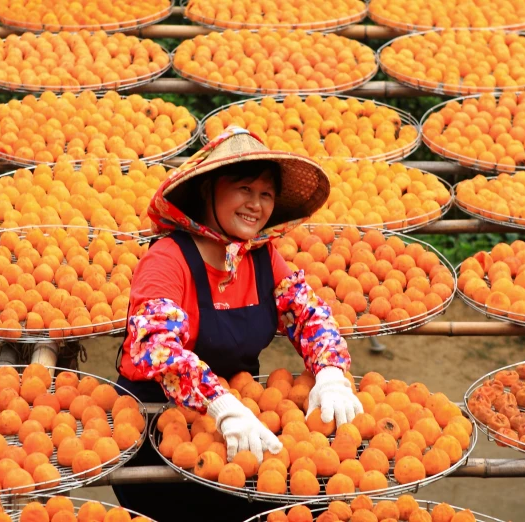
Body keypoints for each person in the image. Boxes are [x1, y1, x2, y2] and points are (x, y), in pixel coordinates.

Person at [113, 126, 363, 521]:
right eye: (244, 189)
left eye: (266, 194)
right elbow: (157, 349)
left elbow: (308, 313)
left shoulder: (262, 257)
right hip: (159, 434)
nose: (256, 204)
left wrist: (331, 371)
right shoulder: (167, 259)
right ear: (208, 190)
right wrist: (221, 405)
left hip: (242, 431)